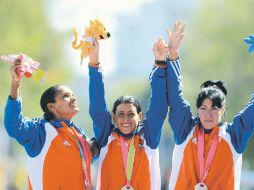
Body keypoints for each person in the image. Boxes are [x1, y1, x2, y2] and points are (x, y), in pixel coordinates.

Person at [163, 21, 254, 189]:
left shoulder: (234, 136)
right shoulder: (185, 130)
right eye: (203, 108)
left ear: (223, 110)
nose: (208, 114)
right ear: (197, 110)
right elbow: (175, 95)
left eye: (214, 108)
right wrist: (173, 53)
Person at [4, 56, 99, 190]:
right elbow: (14, 126)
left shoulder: (79, 134)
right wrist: (15, 85)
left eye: (72, 95)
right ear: (51, 107)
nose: (73, 98)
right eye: (66, 96)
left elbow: (92, 153)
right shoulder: (41, 132)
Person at [87, 40, 168, 189]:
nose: (125, 119)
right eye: (121, 114)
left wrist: (160, 63)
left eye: (131, 114)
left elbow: (158, 106)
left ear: (140, 116)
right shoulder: (106, 136)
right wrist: (94, 62)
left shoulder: (149, 136)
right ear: (113, 118)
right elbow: (97, 108)